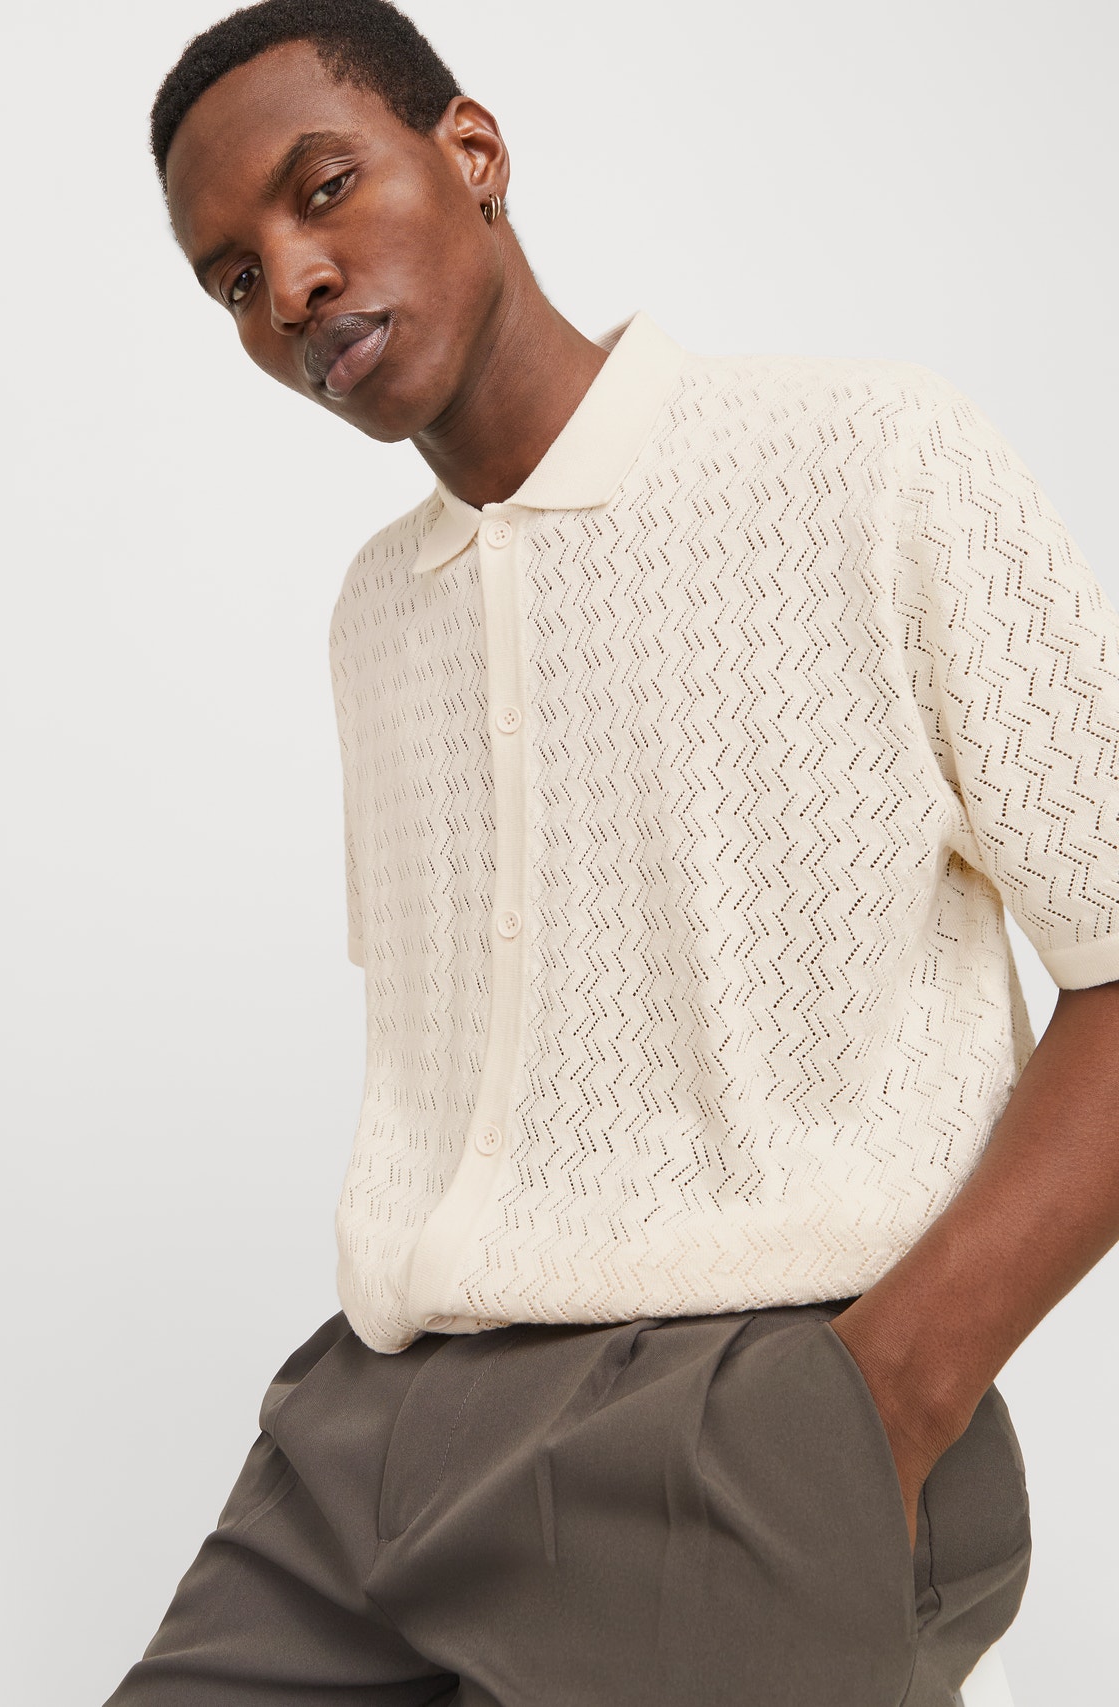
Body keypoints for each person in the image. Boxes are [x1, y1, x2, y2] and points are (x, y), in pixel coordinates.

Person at [103, 2, 1119, 1702]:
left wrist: (883, 1401)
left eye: (324, 190)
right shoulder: (375, 615)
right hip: (363, 1442)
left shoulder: (866, 463)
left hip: (743, 1428)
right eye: (232, 277)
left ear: (474, 154)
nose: (291, 286)